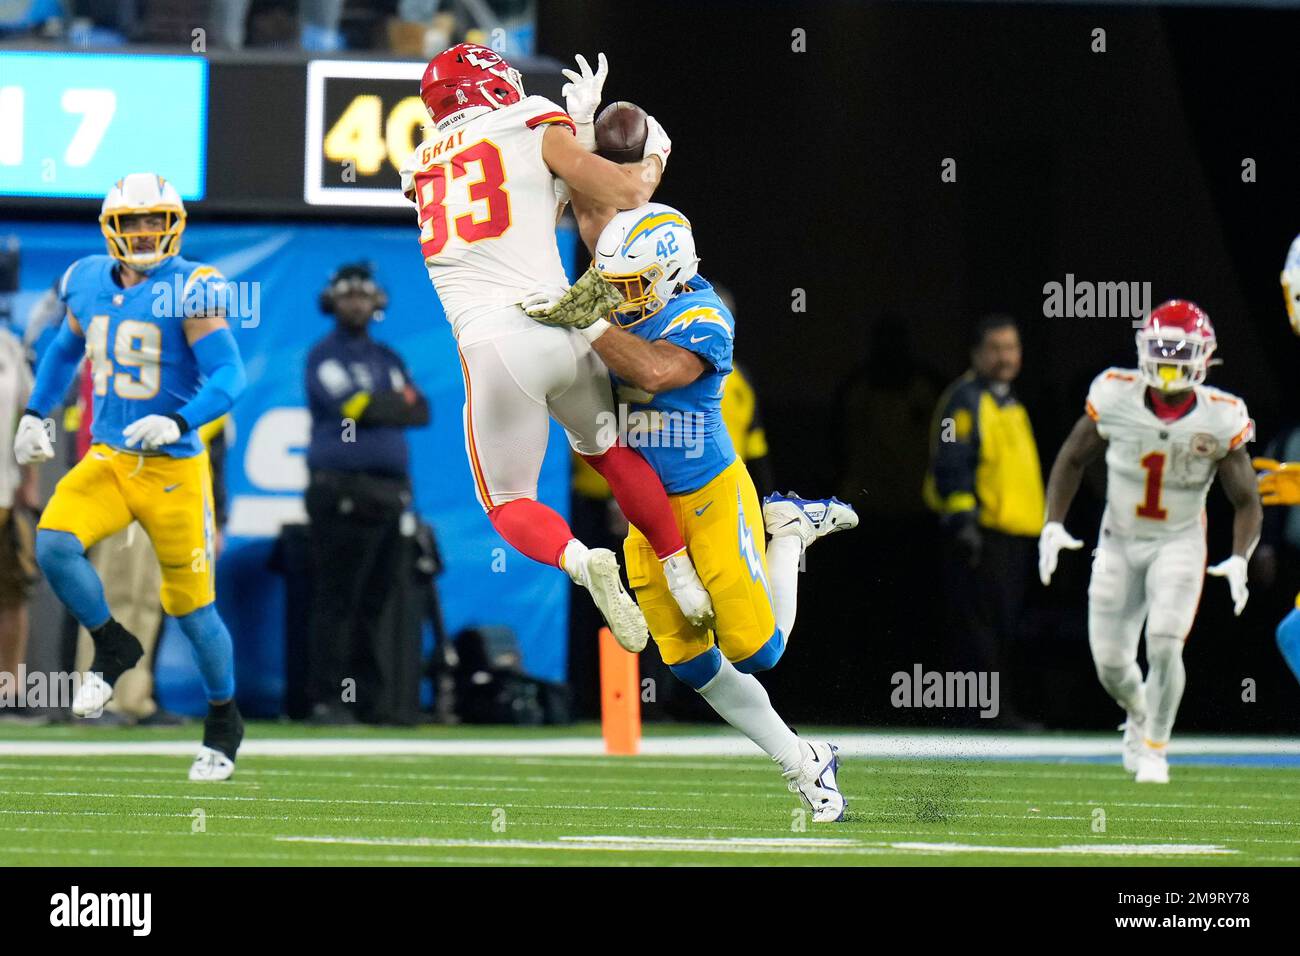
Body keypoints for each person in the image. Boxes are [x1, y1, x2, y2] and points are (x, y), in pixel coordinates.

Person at [529, 193, 857, 821]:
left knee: (757, 652)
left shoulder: (705, 315)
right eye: (615, 284)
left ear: (671, 273)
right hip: (646, 507)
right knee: (690, 664)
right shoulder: (627, 291)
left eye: (633, 285)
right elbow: (598, 210)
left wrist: (591, 323)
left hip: (707, 494)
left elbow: (651, 373)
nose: (621, 297)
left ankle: (788, 531)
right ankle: (804, 762)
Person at [398, 44, 712, 654]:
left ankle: (579, 559)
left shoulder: (418, 165)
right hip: (567, 328)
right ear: (491, 87)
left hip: (495, 346)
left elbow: (517, 193)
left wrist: (572, 139)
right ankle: (681, 571)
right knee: (610, 453)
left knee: (510, 502)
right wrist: (624, 143)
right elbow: (618, 191)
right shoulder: (529, 119)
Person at [12, 172, 247, 780]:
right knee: (54, 545)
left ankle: (224, 718)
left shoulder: (192, 287)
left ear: (174, 225)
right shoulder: (85, 278)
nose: (144, 233)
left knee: (194, 611)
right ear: (111, 228)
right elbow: (65, 348)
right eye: (132, 221)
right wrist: (38, 411)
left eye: (155, 221)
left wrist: (179, 419)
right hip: (110, 457)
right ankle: (113, 644)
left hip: (173, 471)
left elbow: (229, 375)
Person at [1039, 300, 1261, 784]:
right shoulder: (1115, 394)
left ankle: (1156, 749)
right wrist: (1052, 522)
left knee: (1163, 644)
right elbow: (1072, 458)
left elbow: (1246, 499)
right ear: (1143, 348)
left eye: (1181, 351)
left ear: (1205, 356)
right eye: (1162, 349)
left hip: (1179, 543)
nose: (1170, 360)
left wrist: (1241, 556)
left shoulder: (1221, 416)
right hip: (1117, 540)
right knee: (1111, 666)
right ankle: (1140, 714)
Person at [304, 262, 429, 723]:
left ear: (377, 300)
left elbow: (422, 411)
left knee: (377, 600)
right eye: (347, 295)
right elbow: (352, 407)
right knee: (338, 598)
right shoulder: (323, 355)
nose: (356, 303)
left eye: (363, 295)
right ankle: (327, 700)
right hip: (341, 492)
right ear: (332, 301)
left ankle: (370, 702)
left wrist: (379, 407)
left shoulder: (389, 357)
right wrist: (385, 405)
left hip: (389, 493)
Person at [923, 314, 1044, 725]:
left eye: (1011, 348)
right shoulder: (963, 400)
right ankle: (984, 714)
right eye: (995, 348)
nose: (1004, 357)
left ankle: (994, 711)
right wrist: (964, 525)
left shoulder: (1009, 402)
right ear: (976, 353)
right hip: (981, 536)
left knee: (1001, 630)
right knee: (980, 633)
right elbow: (951, 462)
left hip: (1013, 538)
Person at [0, 321, 37, 693]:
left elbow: (33, 415)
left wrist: (30, 480)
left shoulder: (7, 345)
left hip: (4, 493)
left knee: (12, 592)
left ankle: (8, 689)